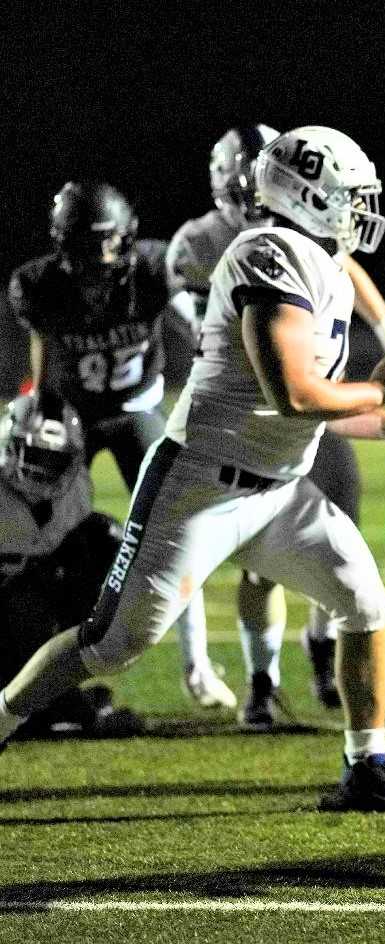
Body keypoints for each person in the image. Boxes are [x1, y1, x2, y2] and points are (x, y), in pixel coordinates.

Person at [0, 126, 385, 814]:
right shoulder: (268, 254)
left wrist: (372, 416)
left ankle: (367, 767)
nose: (358, 209)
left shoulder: (321, 257)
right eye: (347, 196)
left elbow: (303, 404)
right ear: (306, 195)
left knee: (364, 603)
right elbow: (292, 393)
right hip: (201, 485)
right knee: (113, 643)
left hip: (279, 489)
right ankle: (1, 718)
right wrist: (379, 391)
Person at [167, 125, 385, 727]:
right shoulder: (233, 248)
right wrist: (378, 391)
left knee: (344, 560)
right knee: (254, 572)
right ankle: (263, 680)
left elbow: (346, 272)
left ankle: (321, 657)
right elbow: (279, 383)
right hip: (251, 421)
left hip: (309, 411)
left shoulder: (317, 249)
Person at [5, 181, 235, 710]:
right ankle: (32, 654)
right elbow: (41, 350)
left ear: (127, 235)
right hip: (73, 420)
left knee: (177, 526)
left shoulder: (154, 268)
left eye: (106, 242)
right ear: (63, 244)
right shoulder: (40, 284)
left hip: (135, 411)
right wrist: (39, 403)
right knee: (42, 533)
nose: (99, 257)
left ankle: (196, 663)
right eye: (86, 244)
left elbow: (194, 323)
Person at [0, 394, 143, 739]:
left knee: (105, 542)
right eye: (34, 456)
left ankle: (50, 693)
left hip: (24, 588)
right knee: (23, 607)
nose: (43, 471)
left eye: (54, 460)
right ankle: (50, 703)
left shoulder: (74, 490)